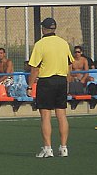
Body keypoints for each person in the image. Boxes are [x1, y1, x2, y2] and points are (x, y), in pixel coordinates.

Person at [27, 17, 74, 158]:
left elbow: (34, 68)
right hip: (61, 80)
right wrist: (67, 81)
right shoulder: (63, 43)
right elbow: (69, 64)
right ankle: (64, 147)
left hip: (46, 81)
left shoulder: (40, 44)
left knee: (45, 116)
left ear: (43, 28)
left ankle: (48, 148)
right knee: (62, 115)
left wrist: (30, 86)